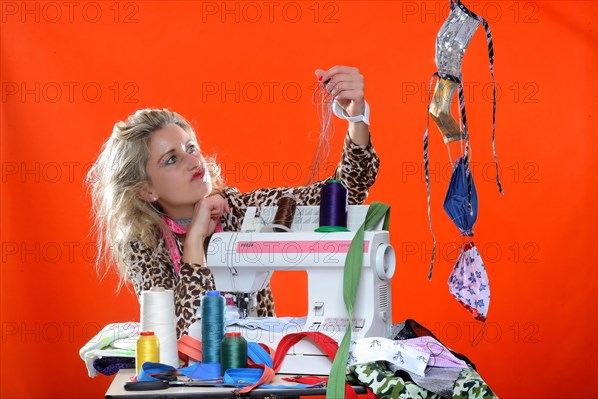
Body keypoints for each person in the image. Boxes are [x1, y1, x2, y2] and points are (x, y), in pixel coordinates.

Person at [87, 66, 380, 338]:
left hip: (260, 373)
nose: (193, 160)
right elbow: (177, 335)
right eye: (172, 159)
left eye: (192, 147)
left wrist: (357, 119)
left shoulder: (240, 211)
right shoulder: (143, 244)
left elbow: (344, 195)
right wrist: (194, 241)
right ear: (146, 190)